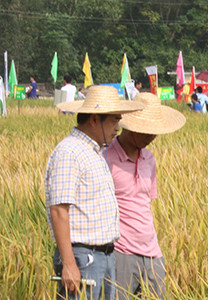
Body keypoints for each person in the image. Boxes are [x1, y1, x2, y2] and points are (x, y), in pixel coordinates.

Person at [46, 86, 145, 299]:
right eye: (113, 121)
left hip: (104, 255)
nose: (118, 128)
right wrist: (69, 263)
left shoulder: (95, 152)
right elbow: (58, 210)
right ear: (93, 120)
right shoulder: (69, 152)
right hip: (83, 256)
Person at [107, 92, 185, 299]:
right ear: (130, 126)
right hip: (120, 251)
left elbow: (145, 204)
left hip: (152, 252)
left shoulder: (149, 159)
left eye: (155, 132)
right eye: (146, 132)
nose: (151, 137)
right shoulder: (106, 158)